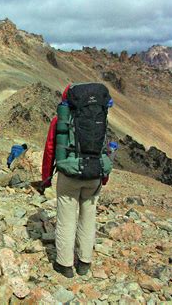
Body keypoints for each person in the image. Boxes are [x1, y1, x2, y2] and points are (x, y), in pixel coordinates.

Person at [42, 83, 112, 278]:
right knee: (89, 218)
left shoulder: (61, 121)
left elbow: (50, 150)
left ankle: (64, 265)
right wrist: (103, 177)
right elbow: (103, 147)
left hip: (69, 175)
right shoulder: (98, 117)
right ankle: (84, 263)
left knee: (66, 219)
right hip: (94, 175)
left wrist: (46, 179)